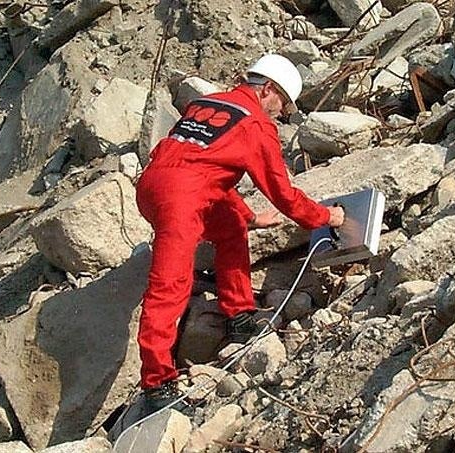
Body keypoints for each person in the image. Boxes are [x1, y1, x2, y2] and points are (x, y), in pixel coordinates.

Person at [135, 54, 345, 413]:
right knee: (170, 287)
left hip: (153, 185)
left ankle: (239, 314)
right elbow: (282, 192)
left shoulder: (208, 103)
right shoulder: (256, 124)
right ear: (268, 90)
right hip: (181, 200)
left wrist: (249, 218)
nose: (281, 114)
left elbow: (199, 165)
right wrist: (326, 217)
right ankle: (157, 385)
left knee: (231, 228)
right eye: (283, 105)